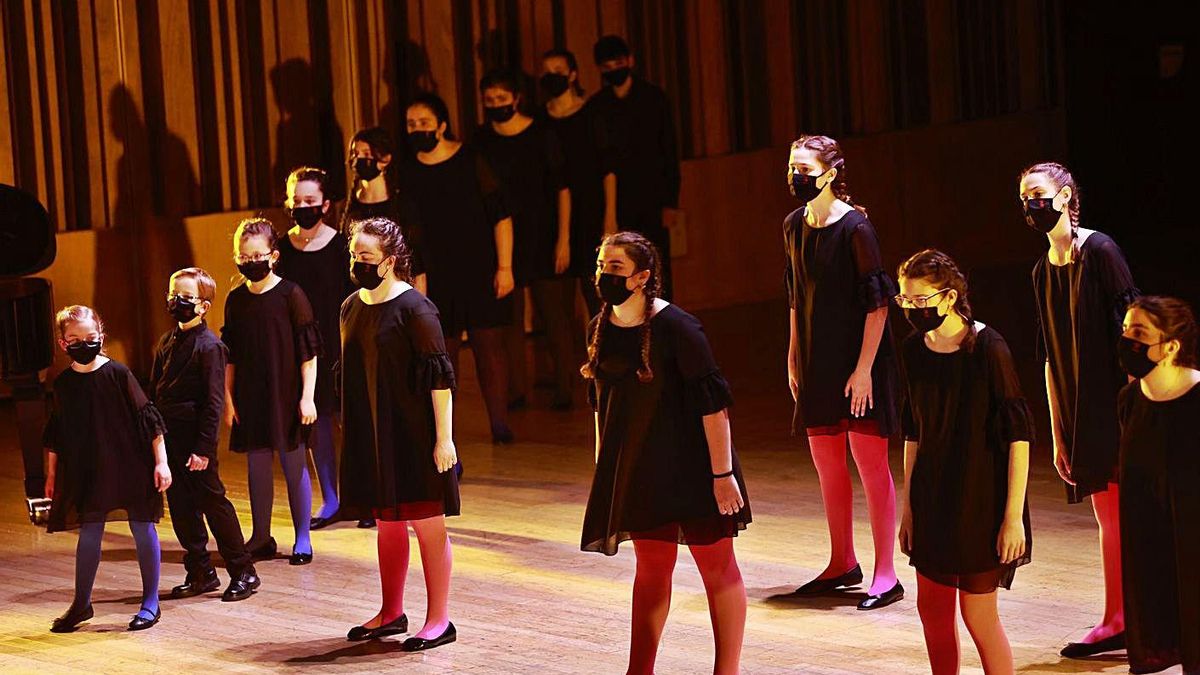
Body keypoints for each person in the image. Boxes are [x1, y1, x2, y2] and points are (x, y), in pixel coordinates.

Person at [581, 231, 749, 674]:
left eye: (614, 268)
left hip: (695, 467)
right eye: (601, 266)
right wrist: (607, 472)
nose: (603, 275)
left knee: (716, 567)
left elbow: (714, 406)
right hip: (641, 470)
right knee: (652, 569)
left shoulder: (679, 328)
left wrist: (722, 475)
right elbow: (603, 408)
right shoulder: (599, 326)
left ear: (642, 277)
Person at [896, 250, 1033, 674]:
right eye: (905, 300)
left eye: (921, 300)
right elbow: (913, 433)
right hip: (932, 498)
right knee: (933, 613)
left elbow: (1019, 437)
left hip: (980, 501)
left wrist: (1013, 519)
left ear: (949, 297)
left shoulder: (989, 349)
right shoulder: (913, 351)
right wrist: (908, 508)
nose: (913, 309)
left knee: (978, 617)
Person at [1022, 161, 1138, 657]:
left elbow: (1133, 333)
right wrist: (1058, 433)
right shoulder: (1041, 272)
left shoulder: (1102, 251)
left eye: (1040, 195)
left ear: (1067, 197)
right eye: (1024, 197)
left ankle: (1134, 617)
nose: (1031, 205)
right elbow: (1049, 357)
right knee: (1107, 518)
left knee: (1130, 517)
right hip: (1079, 412)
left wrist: (1140, 413)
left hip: (1118, 405)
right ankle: (1118, 617)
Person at [783, 134, 902, 609]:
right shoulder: (793, 225)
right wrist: (794, 354)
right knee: (827, 464)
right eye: (792, 167)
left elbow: (878, 305)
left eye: (805, 169)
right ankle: (842, 561)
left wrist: (865, 369)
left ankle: (886, 573)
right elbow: (795, 295)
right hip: (818, 360)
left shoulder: (856, 229)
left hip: (860, 362)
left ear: (830, 174)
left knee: (870, 465)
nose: (796, 176)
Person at [339, 217, 459, 651]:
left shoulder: (417, 309)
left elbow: (440, 380)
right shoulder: (351, 306)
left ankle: (439, 619)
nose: (357, 262)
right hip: (375, 432)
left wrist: (443, 439)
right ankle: (391, 612)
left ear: (390, 261)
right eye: (354, 254)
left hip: (414, 434)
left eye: (365, 257)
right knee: (388, 526)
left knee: (428, 525)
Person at [43, 305, 171, 632]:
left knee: (142, 528)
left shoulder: (118, 374)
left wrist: (162, 462)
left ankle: (150, 602)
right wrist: (52, 475)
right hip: (90, 467)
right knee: (89, 534)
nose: (82, 343)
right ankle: (81, 603)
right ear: (62, 344)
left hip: (131, 464)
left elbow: (150, 421)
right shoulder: (64, 384)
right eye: (74, 339)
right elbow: (57, 433)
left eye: (90, 337)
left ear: (101, 337)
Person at [399, 93, 516, 443]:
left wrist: (505, 267)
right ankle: (443, 432)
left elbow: (501, 216)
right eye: (411, 124)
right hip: (435, 273)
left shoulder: (470, 158)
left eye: (424, 122)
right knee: (442, 354)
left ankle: (500, 424)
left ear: (442, 125)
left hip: (479, 266)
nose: (417, 129)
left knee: (488, 347)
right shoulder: (409, 171)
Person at [151, 268, 260, 602]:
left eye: (185, 297)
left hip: (195, 441)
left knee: (213, 503)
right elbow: (154, 390)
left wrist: (203, 448)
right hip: (170, 439)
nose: (176, 301)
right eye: (173, 294)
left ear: (203, 307)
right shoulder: (166, 341)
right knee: (181, 506)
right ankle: (200, 571)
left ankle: (244, 571)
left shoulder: (211, 346)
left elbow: (214, 402)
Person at [476, 67, 577, 411]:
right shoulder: (481, 140)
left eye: (502, 99)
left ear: (517, 99)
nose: (495, 105)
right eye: (489, 100)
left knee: (554, 316)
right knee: (510, 321)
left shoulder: (541, 134)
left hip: (543, 235)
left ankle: (566, 388)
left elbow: (563, 188)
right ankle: (516, 390)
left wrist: (564, 239)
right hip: (503, 239)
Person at [222, 217, 321, 565]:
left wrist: (307, 396)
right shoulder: (235, 300)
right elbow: (230, 355)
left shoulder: (292, 295)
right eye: (243, 257)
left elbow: (309, 354)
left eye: (257, 256)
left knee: (295, 466)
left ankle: (303, 537)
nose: (250, 263)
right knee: (257, 467)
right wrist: (228, 398)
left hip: (287, 394)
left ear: (273, 255)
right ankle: (261, 535)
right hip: (251, 396)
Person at [276, 166, 368, 529]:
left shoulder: (342, 246)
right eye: (296, 201)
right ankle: (331, 500)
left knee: (353, 423)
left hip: (343, 345)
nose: (302, 207)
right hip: (303, 349)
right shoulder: (281, 251)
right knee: (318, 425)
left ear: (326, 205)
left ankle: (362, 498)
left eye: (310, 201)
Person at [1116, 296, 1200, 675]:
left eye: (1140, 333)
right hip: (1152, 547)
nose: (1128, 340)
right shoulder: (1130, 400)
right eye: (1125, 330)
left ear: (1171, 346)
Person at [588, 35, 681, 301]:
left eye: (618, 62)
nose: (613, 69)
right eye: (606, 65)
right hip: (619, 201)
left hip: (653, 197)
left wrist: (670, 203)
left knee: (656, 264)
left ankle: (663, 320)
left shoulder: (654, 98)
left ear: (630, 61)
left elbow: (669, 152)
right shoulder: (597, 107)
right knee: (622, 267)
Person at [539, 47, 617, 319]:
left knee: (596, 293)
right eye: (547, 72)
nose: (552, 77)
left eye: (558, 72)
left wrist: (610, 218)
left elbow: (609, 170)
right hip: (557, 212)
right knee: (560, 305)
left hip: (591, 209)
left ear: (572, 75)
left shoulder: (591, 113)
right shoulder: (542, 119)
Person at [340, 127, 427, 293]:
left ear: (385, 159)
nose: (358, 159)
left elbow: (417, 263)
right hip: (360, 292)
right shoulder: (350, 205)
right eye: (355, 154)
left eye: (366, 154)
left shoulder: (402, 204)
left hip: (396, 290)